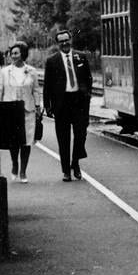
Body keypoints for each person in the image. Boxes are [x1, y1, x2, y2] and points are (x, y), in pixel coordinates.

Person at [43, 29, 92, 181]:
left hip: (79, 102)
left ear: (71, 40)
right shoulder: (52, 61)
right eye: (61, 41)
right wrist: (48, 106)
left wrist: (87, 97)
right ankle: (66, 171)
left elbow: (88, 79)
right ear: (57, 43)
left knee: (80, 135)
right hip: (61, 104)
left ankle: (75, 163)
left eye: (67, 40)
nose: (65, 43)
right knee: (63, 138)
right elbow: (47, 86)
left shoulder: (81, 57)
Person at [0, 41, 41, 183]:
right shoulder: (5, 72)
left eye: (16, 53)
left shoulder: (32, 71)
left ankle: (23, 171)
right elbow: (0, 90)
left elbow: (36, 90)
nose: (13, 56)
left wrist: (38, 106)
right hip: (10, 110)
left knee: (27, 141)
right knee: (13, 141)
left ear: (23, 54)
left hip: (27, 110)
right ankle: (14, 164)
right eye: (12, 53)